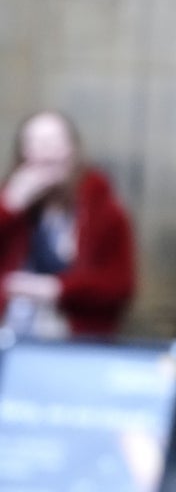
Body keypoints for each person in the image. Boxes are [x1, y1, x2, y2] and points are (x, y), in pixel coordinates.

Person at [0, 110, 137, 338]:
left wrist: (55, 289)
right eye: (36, 143)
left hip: (78, 341)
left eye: (54, 142)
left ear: (73, 150)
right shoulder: (12, 206)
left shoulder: (104, 210)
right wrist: (9, 205)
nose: (46, 151)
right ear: (22, 154)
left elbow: (120, 285)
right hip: (11, 338)